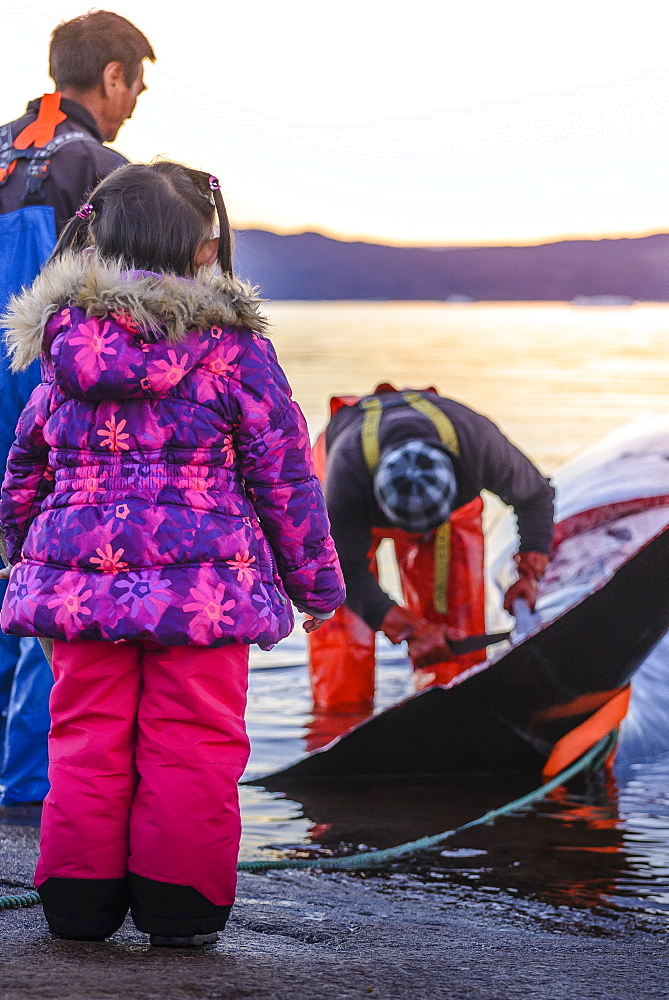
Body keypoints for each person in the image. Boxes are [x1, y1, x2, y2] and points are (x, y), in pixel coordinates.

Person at [0, 161, 345, 945]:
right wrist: (316, 585)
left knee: (85, 737)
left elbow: (25, 466)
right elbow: (285, 476)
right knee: (192, 742)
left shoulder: (64, 350)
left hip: (81, 595)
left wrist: (21, 550)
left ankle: (79, 909)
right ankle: (179, 910)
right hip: (205, 596)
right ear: (201, 248)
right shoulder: (235, 353)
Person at [0, 10, 154, 805]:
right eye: (136, 83)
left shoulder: (1, 144)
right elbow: (129, 306)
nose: (135, 100)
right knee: (47, 579)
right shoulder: (98, 164)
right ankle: (27, 791)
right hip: (46, 398)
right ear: (112, 77)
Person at [308, 384, 554, 712]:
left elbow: (536, 496)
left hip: (450, 511)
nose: (418, 537)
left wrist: (529, 575)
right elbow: (341, 574)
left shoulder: (478, 444)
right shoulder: (346, 481)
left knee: (456, 629)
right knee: (337, 618)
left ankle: (452, 709)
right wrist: (409, 629)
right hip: (344, 493)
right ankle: (339, 720)